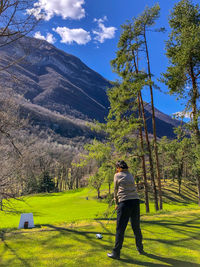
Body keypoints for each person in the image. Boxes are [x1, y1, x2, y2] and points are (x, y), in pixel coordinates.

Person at [107, 160, 144, 260]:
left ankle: (116, 253)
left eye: (116, 168)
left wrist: (116, 203)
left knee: (120, 228)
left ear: (119, 168)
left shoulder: (117, 175)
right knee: (136, 227)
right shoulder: (130, 175)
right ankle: (140, 248)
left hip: (125, 202)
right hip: (135, 202)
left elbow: (115, 190)